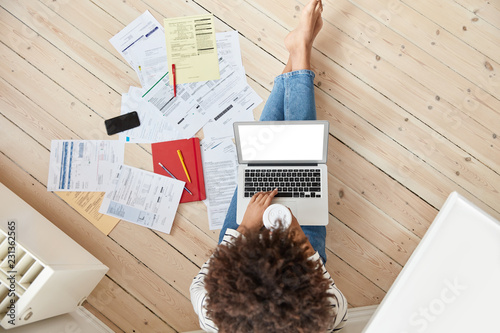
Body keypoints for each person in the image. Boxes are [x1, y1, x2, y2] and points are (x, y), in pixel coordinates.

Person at [190, 0, 348, 331]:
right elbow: (324, 285)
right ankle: (299, 51)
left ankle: (298, 51)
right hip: (301, 261)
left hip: (239, 250)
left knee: (261, 158)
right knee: (301, 159)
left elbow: (208, 275)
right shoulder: (324, 313)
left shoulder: (211, 309)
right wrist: (295, 234)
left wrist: (246, 228)